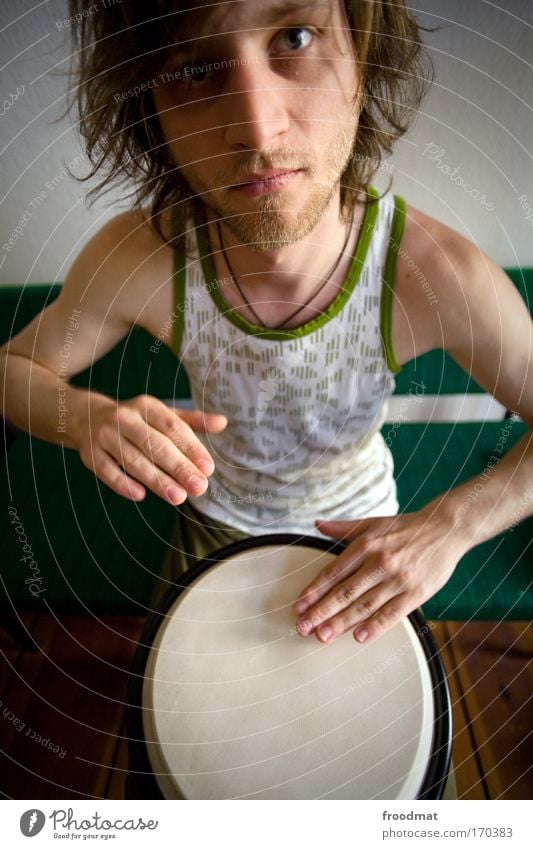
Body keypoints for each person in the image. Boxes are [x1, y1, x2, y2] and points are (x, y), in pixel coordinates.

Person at [1, 0, 532, 647]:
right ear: (152, 114)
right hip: (210, 525)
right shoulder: (143, 258)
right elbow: (12, 371)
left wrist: (450, 524)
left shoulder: (432, 274)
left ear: (361, 57)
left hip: (364, 545)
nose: (257, 131)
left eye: (295, 37)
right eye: (194, 70)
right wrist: (83, 417)